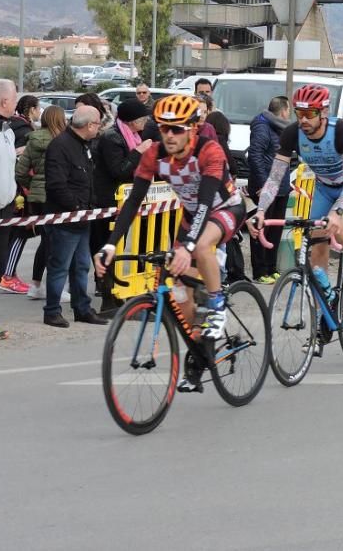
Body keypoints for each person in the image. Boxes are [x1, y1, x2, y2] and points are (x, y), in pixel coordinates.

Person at [96, 96, 245, 389]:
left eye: (177, 129)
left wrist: (187, 247)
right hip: (192, 216)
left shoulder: (209, 150)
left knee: (202, 247)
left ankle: (216, 306)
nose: (169, 135)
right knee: (179, 292)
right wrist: (111, 244)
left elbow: (205, 201)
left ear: (192, 129)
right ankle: (201, 350)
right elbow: (134, 201)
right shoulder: (154, 154)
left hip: (224, 209)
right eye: (164, 128)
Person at [248, 84, 343, 305]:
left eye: (310, 114)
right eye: (299, 113)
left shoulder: (341, 131)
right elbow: (275, 178)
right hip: (324, 187)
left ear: (323, 112)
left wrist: (337, 212)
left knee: (339, 224)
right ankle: (327, 301)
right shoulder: (291, 134)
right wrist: (260, 211)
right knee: (316, 237)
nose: (303, 120)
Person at [43, 105, 106, 328]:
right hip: (65, 219)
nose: (99, 128)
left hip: (82, 218)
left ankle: (82, 308)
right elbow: (56, 185)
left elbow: (87, 179)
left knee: (81, 266)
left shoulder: (83, 145)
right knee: (59, 266)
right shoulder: (60, 147)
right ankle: (52, 311)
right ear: (89, 125)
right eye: (98, 123)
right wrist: (77, 206)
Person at [91, 99, 153, 313]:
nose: (146, 122)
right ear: (132, 121)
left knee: (118, 248)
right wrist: (139, 152)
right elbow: (119, 170)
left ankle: (118, 295)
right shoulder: (113, 138)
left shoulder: (133, 135)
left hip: (121, 201)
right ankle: (108, 298)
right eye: (143, 118)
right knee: (107, 247)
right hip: (107, 201)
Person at [15, 105, 71, 303]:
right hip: (58, 197)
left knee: (45, 242)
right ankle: (55, 288)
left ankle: (35, 285)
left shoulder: (34, 140)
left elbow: (21, 172)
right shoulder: (65, 141)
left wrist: (34, 187)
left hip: (37, 198)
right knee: (60, 244)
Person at [0, 94, 41, 295]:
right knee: (20, 232)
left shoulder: (9, 127)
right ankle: (7, 275)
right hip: (19, 191)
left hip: (12, 190)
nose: (40, 112)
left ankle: (6, 273)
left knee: (12, 232)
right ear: (32, 109)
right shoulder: (24, 130)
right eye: (38, 108)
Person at [247, 96, 291, 284]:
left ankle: (272, 267)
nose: (290, 115)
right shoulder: (262, 127)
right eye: (289, 111)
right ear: (283, 111)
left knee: (276, 229)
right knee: (260, 229)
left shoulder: (281, 128)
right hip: (265, 187)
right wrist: (265, 184)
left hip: (281, 187)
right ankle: (260, 271)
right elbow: (254, 156)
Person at [206, 109, 248, 284]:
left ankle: (219, 281)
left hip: (227, 204)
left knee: (205, 244)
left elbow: (230, 166)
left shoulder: (214, 146)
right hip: (211, 201)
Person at [0, 79, 18, 339]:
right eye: (15, 98)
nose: (17, 103)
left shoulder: (7, 131)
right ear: (4, 101)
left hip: (5, 212)